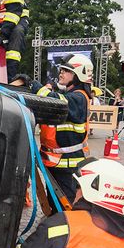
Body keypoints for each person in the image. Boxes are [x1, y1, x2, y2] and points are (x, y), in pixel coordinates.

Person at [38, 53, 93, 208]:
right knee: (54, 204)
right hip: (56, 163)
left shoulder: (79, 98)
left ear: (79, 75)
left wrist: (35, 86)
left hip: (67, 165)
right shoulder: (70, 95)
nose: (61, 73)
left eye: (66, 70)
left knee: (65, 207)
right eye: (61, 70)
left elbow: (55, 101)